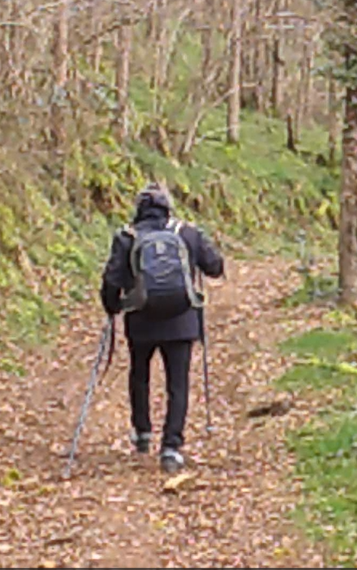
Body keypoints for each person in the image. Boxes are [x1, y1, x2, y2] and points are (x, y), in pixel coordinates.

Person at [100, 182, 225, 473]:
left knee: (139, 375)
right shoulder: (187, 233)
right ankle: (171, 447)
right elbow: (215, 266)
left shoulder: (127, 237)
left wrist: (112, 307)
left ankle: (142, 432)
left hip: (141, 319)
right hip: (182, 320)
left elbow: (111, 280)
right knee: (177, 383)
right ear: (168, 207)